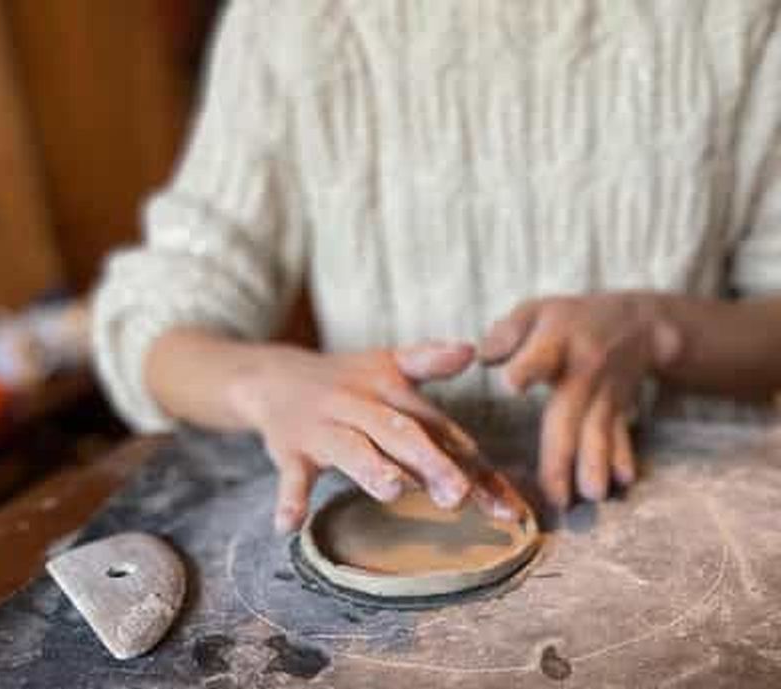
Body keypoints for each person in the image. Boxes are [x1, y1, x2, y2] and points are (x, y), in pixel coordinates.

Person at [94, 0, 781, 533]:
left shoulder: (737, 18)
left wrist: (657, 328)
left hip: (690, 517)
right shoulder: (295, 18)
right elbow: (157, 315)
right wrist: (269, 385)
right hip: (395, 518)